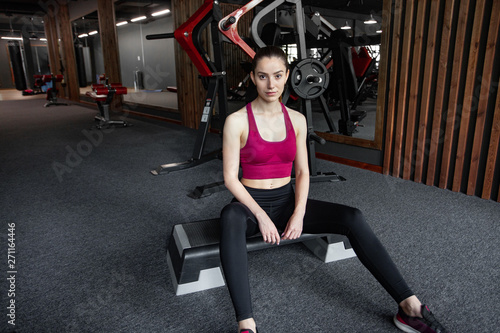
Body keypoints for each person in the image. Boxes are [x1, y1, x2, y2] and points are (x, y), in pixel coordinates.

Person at [219, 46, 450, 333]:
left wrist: (299, 212)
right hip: (249, 208)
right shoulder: (237, 121)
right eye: (263, 76)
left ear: (288, 75)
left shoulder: (297, 120)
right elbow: (230, 178)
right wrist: (261, 216)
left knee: (352, 217)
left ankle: (409, 306)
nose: (271, 84)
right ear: (253, 78)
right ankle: (247, 325)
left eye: (278, 76)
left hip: (286, 201)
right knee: (229, 217)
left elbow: (303, 172)